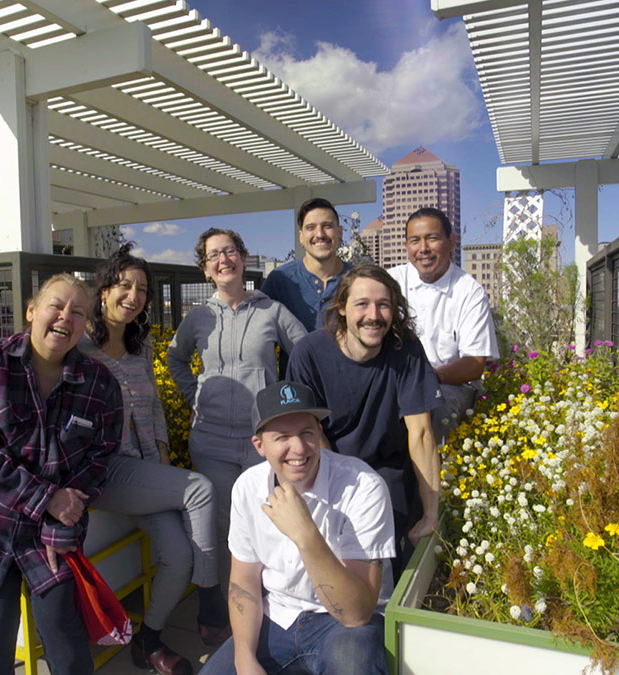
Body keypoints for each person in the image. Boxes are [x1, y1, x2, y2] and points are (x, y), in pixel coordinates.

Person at [0, 273, 122, 675]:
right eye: (55, 306)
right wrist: (48, 500)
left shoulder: (99, 383)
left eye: (77, 312)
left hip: (51, 531)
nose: (65, 317)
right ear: (31, 311)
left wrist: (63, 519)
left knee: (65, 634)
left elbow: (100, 456)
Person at [80, 244, 217, 675]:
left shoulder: (140, 344)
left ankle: (149, 640)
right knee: (199, 487)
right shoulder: (81, 346)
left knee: (177, 555)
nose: (133, 296)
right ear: (103, 290)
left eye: (141, 289)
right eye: (124, 285)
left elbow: (154, 404)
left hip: (143, 470)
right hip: (104, 470)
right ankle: (213, 598)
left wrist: (160, 448)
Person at [167, 227, 307, 643]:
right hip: (210, 440)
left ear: (243, 259)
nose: (223, 260)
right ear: (206, 268)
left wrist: (285, 405)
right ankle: (219, 609)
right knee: (220, 525)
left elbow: (304, 352)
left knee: (268, 521)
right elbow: (176, 358)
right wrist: (196, 395)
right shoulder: (198, 316)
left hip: (259, 441)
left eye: (229, 251)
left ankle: (268, 609)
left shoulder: (272, 311)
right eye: (213, 255)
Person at [200, 380, 394, 675]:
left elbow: (357, 614)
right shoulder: (248, 487)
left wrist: (306, 535)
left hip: (344, 625)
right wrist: (244, 658)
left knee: (354, 666)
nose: (299, 448)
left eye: (307, 433)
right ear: (259, 446)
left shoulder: (363, 487)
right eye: (282, 437)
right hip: (278, 616)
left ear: (319, 433)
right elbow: (244, 581)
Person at [285, 264, 441, 578]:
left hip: (387, 468)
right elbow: (311, 434)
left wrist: (431, 513)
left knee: (387, 561)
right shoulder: (309, 353)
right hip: (327, 464)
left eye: (383, 304)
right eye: (362, 304)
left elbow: (421, 433)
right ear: (341, 308)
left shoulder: (406, 349)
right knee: (333, 554)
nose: (374, 314)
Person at [388, 207, 498, 443]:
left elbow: (474, 364)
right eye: (415, 240)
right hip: (396, 381)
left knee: (428, 410)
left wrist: (426, 378)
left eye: (432, 238)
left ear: (451, 242)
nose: (423, 249)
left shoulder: (469, 292)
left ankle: (430, 477)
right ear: (406, 246)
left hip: (449, 384)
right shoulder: (391, 282)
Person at [260, 198, 353, 330]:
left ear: (340, 233)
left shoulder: (358, 279)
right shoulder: (280, 280)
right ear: (301, 237)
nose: (320, 234)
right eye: (310, 227)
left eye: (327, 226)